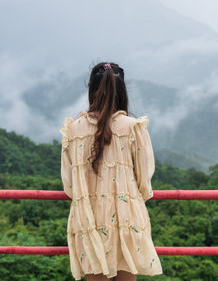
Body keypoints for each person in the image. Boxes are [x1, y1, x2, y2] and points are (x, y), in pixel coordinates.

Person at [59, 62, 163, 280]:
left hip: (88, 219)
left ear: (91, 89)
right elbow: (144, 180)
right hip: (127, 218)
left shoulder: (73, 130)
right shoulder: (133, 128)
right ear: (122, 90)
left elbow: (69, 186)